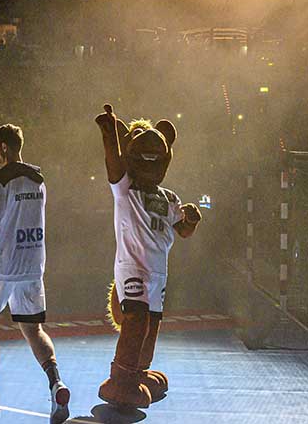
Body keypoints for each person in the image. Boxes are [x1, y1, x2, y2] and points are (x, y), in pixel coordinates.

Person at [0, 124, 69, 423]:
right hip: (32, 263)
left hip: (2, 268)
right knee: (33, 330)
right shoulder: (38, 178)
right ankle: (56, 383)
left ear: (4, 147)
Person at [94, 105, 201, 407]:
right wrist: (108, 133)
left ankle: (138, 372)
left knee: (152, 322)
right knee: (136, 319)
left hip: (158, 271)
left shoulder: (169, 197)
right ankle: (120, 379)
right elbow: (114, 163)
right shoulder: (125, 188)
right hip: (133, 267)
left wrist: (191, 220)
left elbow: (182, 230)